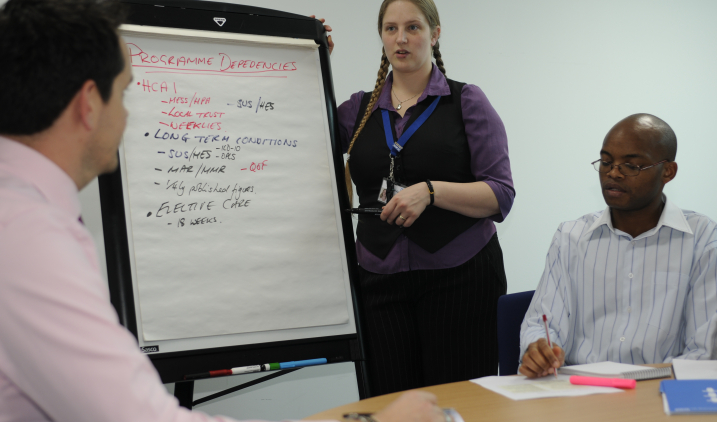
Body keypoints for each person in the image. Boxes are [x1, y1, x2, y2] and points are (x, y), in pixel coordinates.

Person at [0, 1, 446, 421]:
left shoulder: (25, 216)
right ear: (88, 105)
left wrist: (302, 71)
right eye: (125, 93)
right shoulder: (28, 242)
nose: (130, 116)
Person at [327, 0, 515, 395]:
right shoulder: (357, 110)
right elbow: (303, 129)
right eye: (391, 29)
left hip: (460, 278)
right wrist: (314, 61)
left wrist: (430, 192)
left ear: (435, 32)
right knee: (390, 405)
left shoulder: (467, 102)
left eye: (413, 27)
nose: (401, 38)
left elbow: (500, 194)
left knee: (457, 404)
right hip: (378, 279)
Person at [518, 114, 717, 378]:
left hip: (660, 392)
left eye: (631, 166)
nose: (613, 173)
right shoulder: (571, 236)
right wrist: (539, 349)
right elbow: (542, 322)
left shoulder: (702, 238)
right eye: (606, 162)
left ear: (667, 171)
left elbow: (703, 353)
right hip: (578, 392)